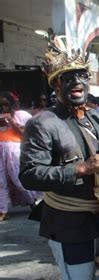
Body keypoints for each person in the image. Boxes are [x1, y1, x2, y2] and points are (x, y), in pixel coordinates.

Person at [19, 36, 99, 280]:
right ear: (56, 84)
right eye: (68, 77)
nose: (77, 83)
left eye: (81, 75)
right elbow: (30, 175)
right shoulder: (42, 124)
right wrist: (81, 168)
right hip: (68, 222)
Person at [0, 91, 41, 221]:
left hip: (15, 151)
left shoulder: (21, 115)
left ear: (11, 105)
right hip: (1, 150)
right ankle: (3, 210)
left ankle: (36, 202)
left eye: (5, 105)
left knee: (19, 179)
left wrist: (11, 121)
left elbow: (29, 133)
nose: (3, 108)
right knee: (1, 182)